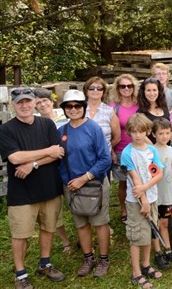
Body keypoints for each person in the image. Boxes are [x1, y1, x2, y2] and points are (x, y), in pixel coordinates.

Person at [0, 86, 66, 288]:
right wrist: (46, 151)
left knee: (48, 228)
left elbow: (59, 153)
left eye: (28, 101)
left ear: (34, 102)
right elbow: (15, 157)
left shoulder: (46, 124)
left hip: (49, 188)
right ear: (13, 105)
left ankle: (45, 263)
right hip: (22, 193)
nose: (25, 105)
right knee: (21, 235)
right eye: (20, 102)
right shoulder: (6, 129)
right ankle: (20, 274)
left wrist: (32, 164)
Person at [57, 90, 112, 278]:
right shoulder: (61, 131)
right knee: (81, 224)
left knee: (99, 222)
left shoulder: (93, 128)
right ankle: (88, 258)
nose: (73, 109)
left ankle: (104, 259)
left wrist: (84, 178)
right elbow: (58, 159)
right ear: (64, 109)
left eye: (77, 106)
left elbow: (105, 159)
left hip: (93, 183)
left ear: (83, 107)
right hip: (71, 186)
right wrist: (68, 182)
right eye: (69, 106)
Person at [120, 113, 164, 288]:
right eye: (134, 132)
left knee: (149, 233)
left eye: (141, 131)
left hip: (151, 196)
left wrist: (146, 190)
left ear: (148, 132)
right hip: (136, 202)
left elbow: (158, 173)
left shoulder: (151, 150)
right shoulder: (127, 153)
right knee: (137, 236)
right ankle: (136, 273)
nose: (138, 135)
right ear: (129, 132)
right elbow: (135, 179)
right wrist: (144, 200)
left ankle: (146, 265)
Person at [33, 88, 71, 253]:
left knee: (77, 201)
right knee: (54, 207)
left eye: (45, 101)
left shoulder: (65, 117)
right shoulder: (35, 124)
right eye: (38, 103)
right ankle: (65, 242)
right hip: (50, 167)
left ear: (51, 101)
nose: (42, 105)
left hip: (70, 165)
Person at [150, 119, 172, 270]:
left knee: (164, 223)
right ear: (153, 134)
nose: (164, 136)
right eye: (160, 133)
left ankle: (168, 249)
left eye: (167, 133)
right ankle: (158, 253)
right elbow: (150, 172)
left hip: (167, 195)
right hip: (155, 194)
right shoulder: (151, 151)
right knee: (155, 223)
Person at [105, 74, 137, 222]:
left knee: (139, 179)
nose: (126, 89)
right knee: (124, 182)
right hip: (121, 149)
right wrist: (111, 150)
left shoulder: (139, 105)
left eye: (129, 86)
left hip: (139, 148)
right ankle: (124, 209)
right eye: (122, 86)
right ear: (117, 89)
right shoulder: (113, 107)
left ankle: (137, 207)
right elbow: (109, 132)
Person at [137, 78, 169, 144]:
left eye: (154, 90)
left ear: (159, 91)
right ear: (143, 92)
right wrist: (154, 149)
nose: (152, 93)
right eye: (148, 90)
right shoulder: (140, 112)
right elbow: (142, 135)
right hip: (151, 150)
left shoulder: (164, 107)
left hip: (166, 148)